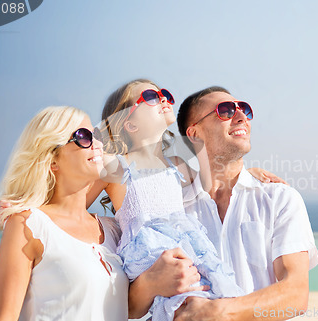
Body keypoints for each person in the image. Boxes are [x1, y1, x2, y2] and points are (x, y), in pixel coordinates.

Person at [130, 86, 318, 321]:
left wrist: (217, 312)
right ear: (194, 133)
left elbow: (296, 294)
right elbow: (132, 305)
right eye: (226, 111)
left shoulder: (280, 199)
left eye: (244, 109)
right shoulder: (171, 209)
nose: (241, 117)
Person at [89, 79, 245, 321]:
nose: (162, 98)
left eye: (164, 94)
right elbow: (73, 201)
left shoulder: (176, 165)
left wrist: (252, 173)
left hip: (187, 246)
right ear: (129, 123)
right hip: (150, 252)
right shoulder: (116, 165)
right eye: (151, 96)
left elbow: (217, 175)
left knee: (216, 296)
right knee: (188, 304)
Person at [0, 106, 129, 321]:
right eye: (84, 136)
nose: (99, 144)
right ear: (52, 160)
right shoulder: (28, 224)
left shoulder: (113, 230)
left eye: (97, 135)